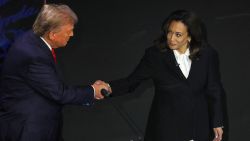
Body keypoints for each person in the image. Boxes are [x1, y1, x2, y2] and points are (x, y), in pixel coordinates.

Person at [102, 10, 226, 141]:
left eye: (178, 35)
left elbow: (214, 89)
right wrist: (109, 88)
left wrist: (217, 121)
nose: (171, 38)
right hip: (166, 129)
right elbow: (131, 82)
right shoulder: (155, 56)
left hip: (197, 128)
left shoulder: (207, 54)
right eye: (169, 32)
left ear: (190, 36)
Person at [0, 4, 110, 141]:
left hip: (42, 123)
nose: (72, 34)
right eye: (69, 31)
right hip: (30, 129)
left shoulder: (34, 40)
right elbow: (59, 93)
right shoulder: (33, 55)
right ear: (52, 34)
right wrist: (93, 91)